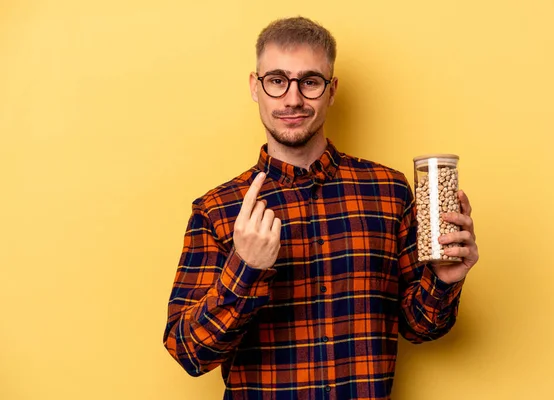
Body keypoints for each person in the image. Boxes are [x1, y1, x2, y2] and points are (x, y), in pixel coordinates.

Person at [163, 16, 479, 400]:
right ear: (254, 87)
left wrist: (444, 279)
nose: (293, 99)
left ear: (331, 91)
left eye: (310, 82)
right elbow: (188, 353)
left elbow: (420, 327)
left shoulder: (389, 192)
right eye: (277, 81)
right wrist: (245, 269)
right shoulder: (217, 209)